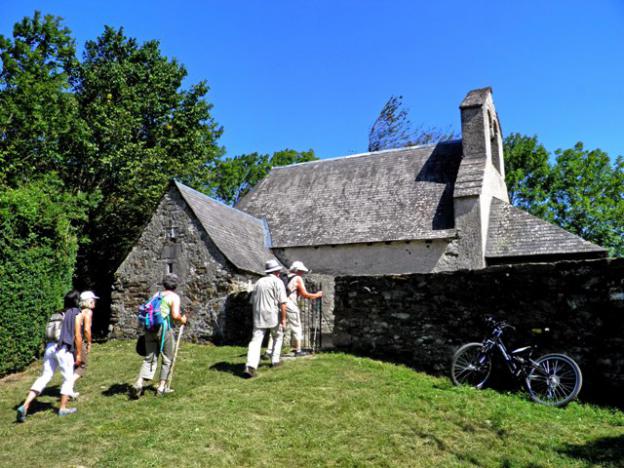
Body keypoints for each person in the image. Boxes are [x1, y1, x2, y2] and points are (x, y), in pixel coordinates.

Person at [16, 290, 83, 422]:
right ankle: (63, 409)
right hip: (63, 349)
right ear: (76, 301)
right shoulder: (76, 314)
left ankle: (25, 405)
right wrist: (79, 353)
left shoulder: (56, 313)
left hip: (50, 347)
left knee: (45, 376)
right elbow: (78, 336)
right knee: (68, 379)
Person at [130, 273, 188, 398]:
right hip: (164, 328)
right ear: (176, 285)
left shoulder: (157, 295)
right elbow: (174, 315)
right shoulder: (174, 297)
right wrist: (182, 320)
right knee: (167, 357)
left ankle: (139, 383)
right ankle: (161, 388)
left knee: (149, 357)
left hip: (150, 328)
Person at [267, 261, 323, 357]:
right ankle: (298, 350)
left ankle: (269, 351)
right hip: (290, 304)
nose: (302, 273)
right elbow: (305, 294)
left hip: (279, 303)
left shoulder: (283, 277)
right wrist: (317, 295)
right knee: (296, 326)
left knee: (276, 327)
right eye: (301, 271)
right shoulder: (297, 278)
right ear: (297, 270)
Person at [244, 259, 288, 378]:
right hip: (273, 314)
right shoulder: (278, 282)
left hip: (258, 314)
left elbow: (252, 301)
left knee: (256, 341)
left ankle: (251, 366)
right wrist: (284, 319)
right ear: (276, 272)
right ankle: (275, 360)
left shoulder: (258, 282)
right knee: (278, 336)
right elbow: (283, 303)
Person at [73, 290, 98, 391]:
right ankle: (67, 386)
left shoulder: (77, 311)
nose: (95, 303)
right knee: (82, 365)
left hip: (71, 341)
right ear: (89, 302)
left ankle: (69, 389)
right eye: (93, 301)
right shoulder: (88, 312)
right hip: (79, 342)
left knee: (75, 364)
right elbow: (87, 329)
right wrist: (89, 343)